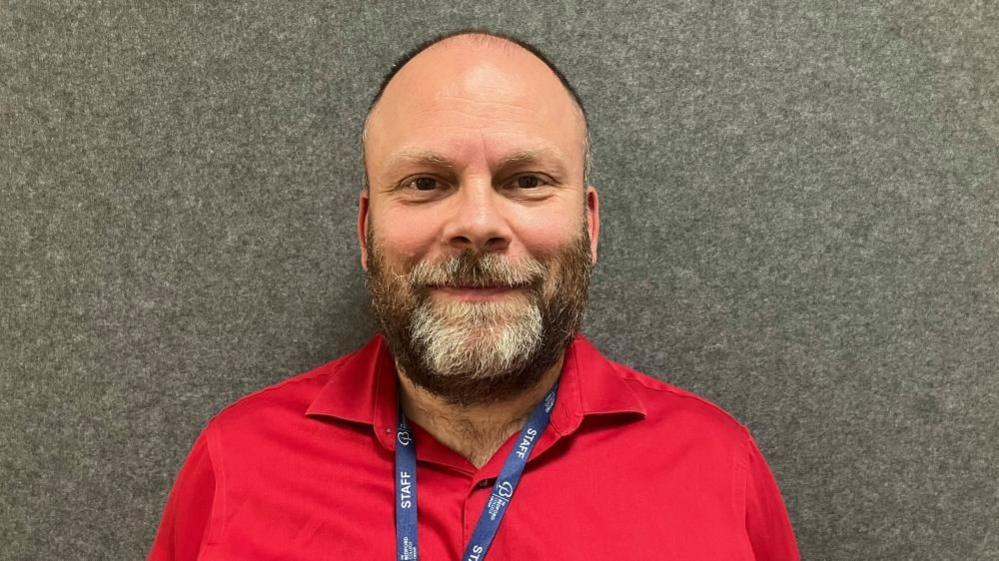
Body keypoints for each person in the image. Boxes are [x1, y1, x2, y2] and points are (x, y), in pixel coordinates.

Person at [147, 30, 800, 561]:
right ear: (366, 230)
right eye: (427, 182)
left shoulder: (718, 468)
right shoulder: (237, 463)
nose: (479, 223)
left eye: (527, 180)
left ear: (589, 225)